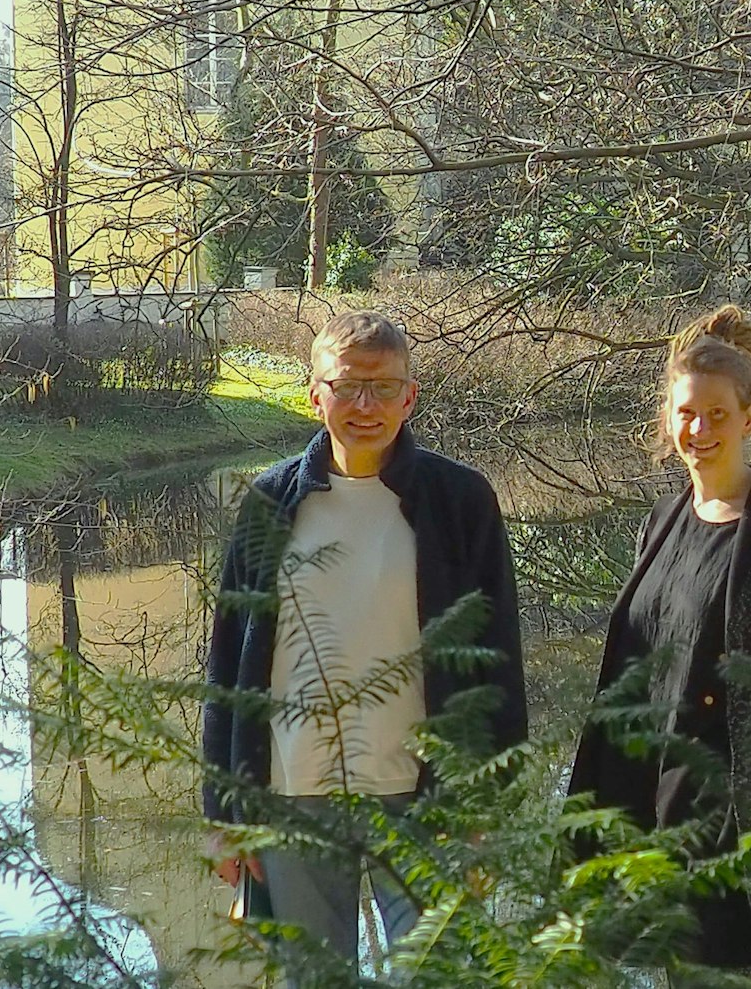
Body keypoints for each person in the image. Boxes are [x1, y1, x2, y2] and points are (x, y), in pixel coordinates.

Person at [202, 310, 527, 971]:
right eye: (346, 386)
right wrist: (225, 811)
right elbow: (229, 666)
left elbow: (499, 661)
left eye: (383, 387)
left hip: (426, 798)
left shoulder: (461, 501)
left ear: (410, 395)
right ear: (313, 393)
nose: (365, 405)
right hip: (294, 793)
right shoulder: (270, 501)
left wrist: (489, 804)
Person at [568, 304, 751, 989]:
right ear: (668, 417)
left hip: (737, 819)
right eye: (687, 413)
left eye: (718, 414)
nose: (700, 429)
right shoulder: (660, 523)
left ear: (749, 418)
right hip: (653, 803)